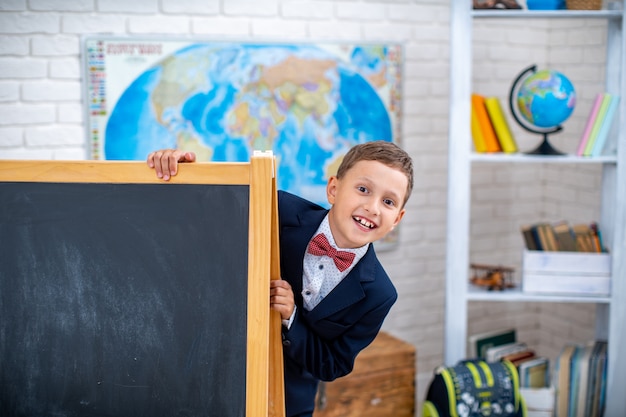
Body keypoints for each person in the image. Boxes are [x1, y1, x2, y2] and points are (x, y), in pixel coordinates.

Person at [147, 141, 414, 417]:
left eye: (388, 201)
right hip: (212, 380)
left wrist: (292, 317)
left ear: (397, 218)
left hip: (288, 404)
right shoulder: (279, 209)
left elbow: (332, 364)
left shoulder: (380, 294)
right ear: (334, 189)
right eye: (363, 189)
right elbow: (211, 208)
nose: (372, 207)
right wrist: (182, 173)